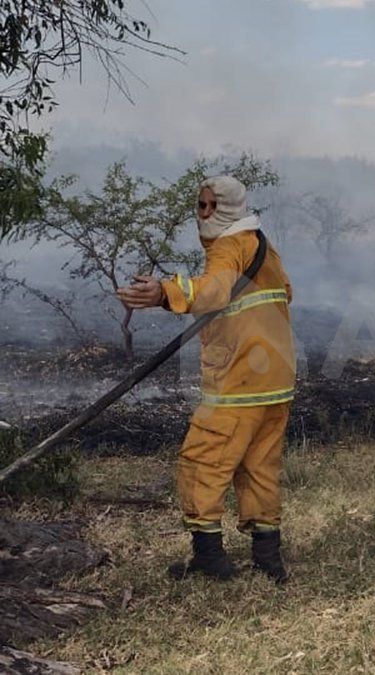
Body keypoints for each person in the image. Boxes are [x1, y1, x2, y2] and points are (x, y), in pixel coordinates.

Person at [117, 175, 296, 582]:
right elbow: (286, 292)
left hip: (239, 382)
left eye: (211, 206)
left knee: (202, 460)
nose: (203, 214)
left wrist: (165, 293)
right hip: (277, 381)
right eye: (201, 205)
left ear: (229, 207)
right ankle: (268, 561)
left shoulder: (228, 246)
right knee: (260, 466)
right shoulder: (262, 245)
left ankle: (210, 560)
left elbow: (214, 290)